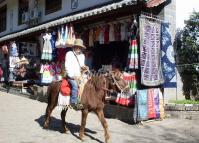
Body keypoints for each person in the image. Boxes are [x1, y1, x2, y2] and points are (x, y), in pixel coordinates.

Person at [65, 39, 87, 110]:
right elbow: (67, 66)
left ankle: (83, 101)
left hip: (79, 75)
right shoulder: (69, 54)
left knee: (88, 84)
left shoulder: (82, 56)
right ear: (74, 47)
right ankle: (73, 102)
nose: (78, 48)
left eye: (80, 47)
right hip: (71, 75)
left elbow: (82, 66)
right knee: (75, 85)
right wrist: (72, 76)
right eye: (77, 47)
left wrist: (84, 67)